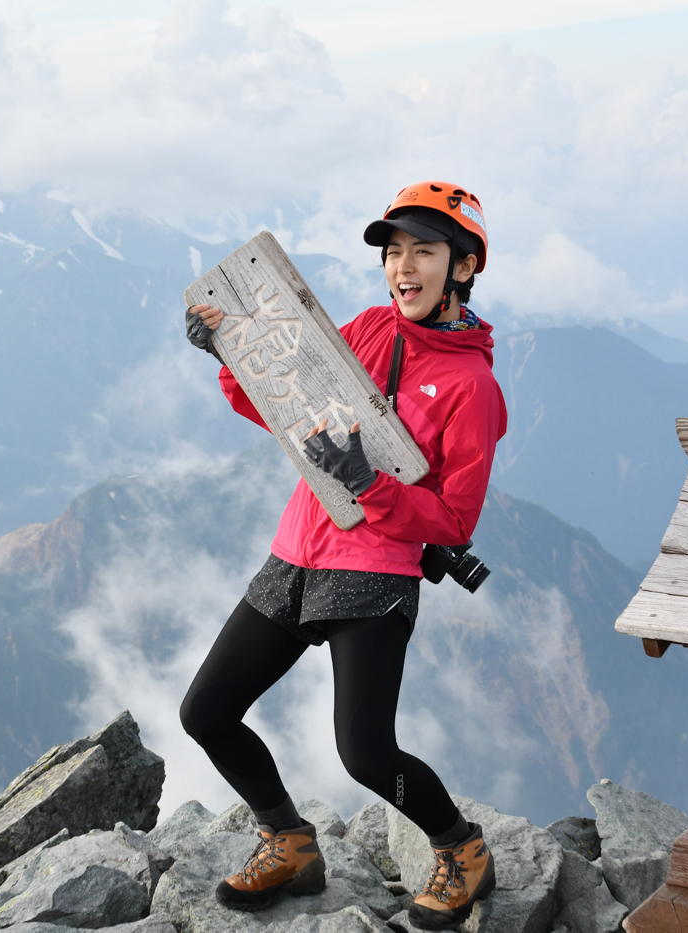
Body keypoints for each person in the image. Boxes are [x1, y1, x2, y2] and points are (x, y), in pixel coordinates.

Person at [179, 181, 507, 928]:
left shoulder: (472, 386)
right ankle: (289, 841)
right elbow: (286, 410)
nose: (403, 265)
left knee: (364, 752)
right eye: (394, 251)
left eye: (424, 250)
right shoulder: (362, 329)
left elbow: (454, 521)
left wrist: (374, 488)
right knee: (207, 710)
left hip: (377, 575)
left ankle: (461, 849)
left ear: (463, 266)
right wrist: (229, 356)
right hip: (297, 552)